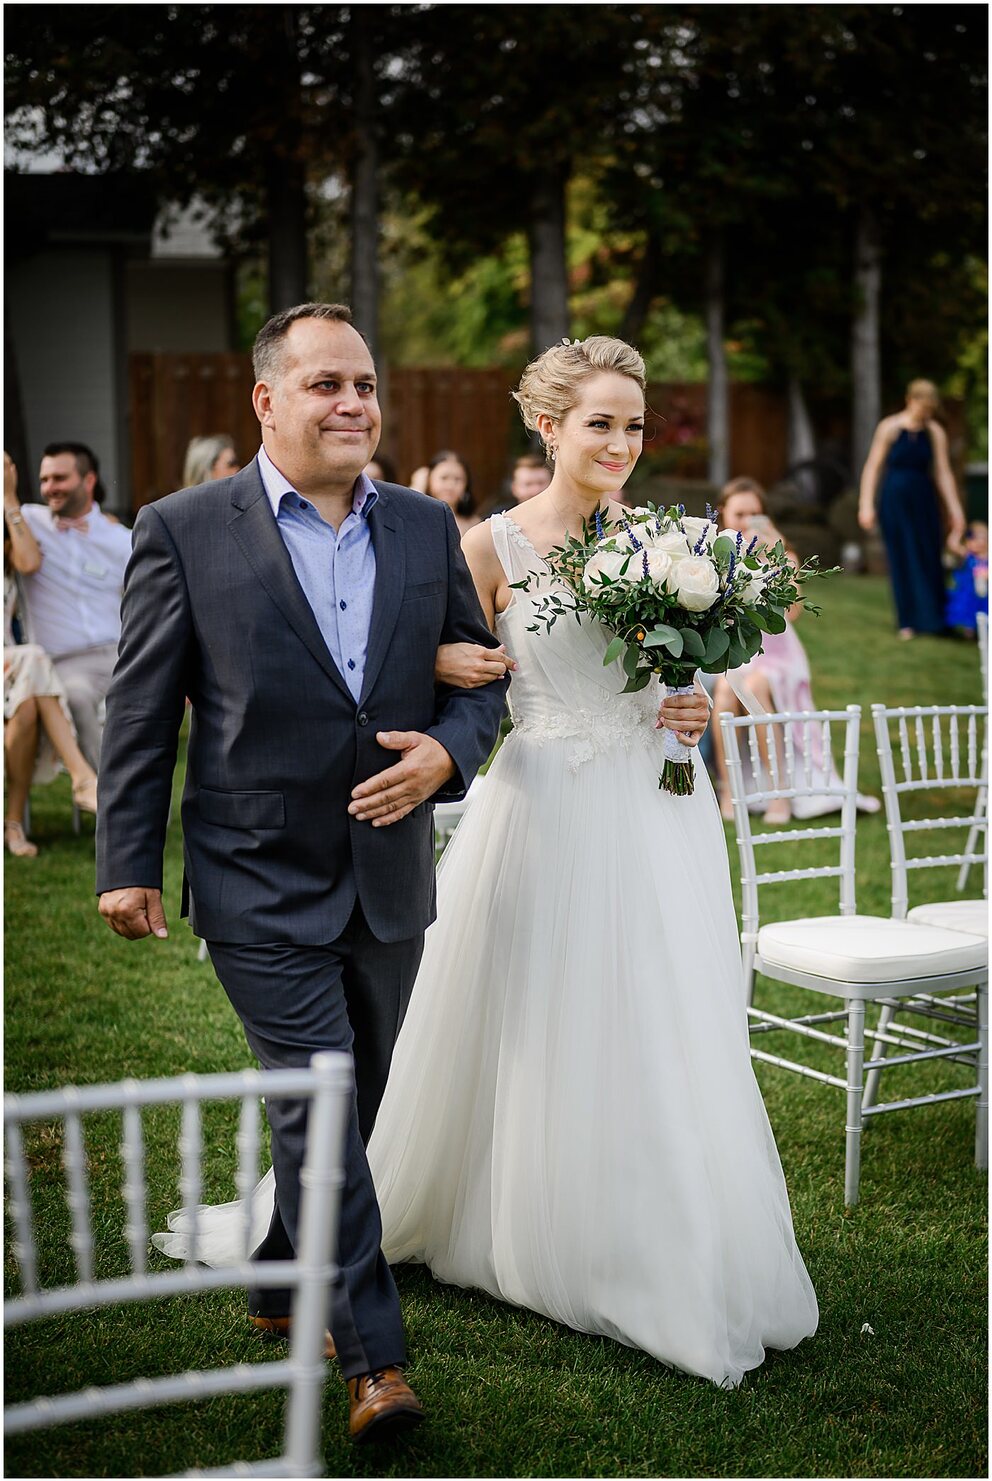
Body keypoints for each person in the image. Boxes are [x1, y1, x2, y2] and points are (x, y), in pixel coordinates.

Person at [159, 336, 819, 1389]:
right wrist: (437, 658)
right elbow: (389, 665)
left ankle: (651, 1230)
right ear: (547, 425)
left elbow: (672, 677)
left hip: (658, 810)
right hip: (547, 806)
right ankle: (518, 1221)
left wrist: (691, 700)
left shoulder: (671, 547)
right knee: (541, 1015)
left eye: (634, 425)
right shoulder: (484, 544)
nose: (618, 442)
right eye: (598, 421)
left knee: (663, 1017)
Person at [95, 302, 509, 1444]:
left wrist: (445, 750)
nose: (353, 405)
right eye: (327, 384)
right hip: (253, 873)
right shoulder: (183, 527)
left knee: (356, 1103)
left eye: (365, 385)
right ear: (266, 400)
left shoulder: (426, 526)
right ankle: (376, 1362)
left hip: (388, 876)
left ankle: (283, 1272)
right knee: (318, 1108)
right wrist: (127, 858)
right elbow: (140, 707)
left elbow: (480, 682)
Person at [709, 477, 878, 823]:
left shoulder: (781, 555)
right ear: (724, 514)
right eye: (740, 513)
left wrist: (777, 558)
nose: (746, 521)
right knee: (727, 690)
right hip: (740, 657)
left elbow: (792, 612)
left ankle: (780, 793)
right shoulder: (714, 555)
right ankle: (729, 789)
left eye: (755, 513)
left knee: (754, 687)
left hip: (778, 657)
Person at [13, 442, 133, 770]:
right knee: (77, 697)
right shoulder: (27, 523)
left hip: (119, 654)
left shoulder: (122, 539)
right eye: (45, 479)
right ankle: (103, 801)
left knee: (147, 705)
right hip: (65, 662)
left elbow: (147, 605)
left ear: (88, 480)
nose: (50, 488)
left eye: (60, 478)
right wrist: (9, 497)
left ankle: (151, 810)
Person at [4, 454, 98, 856]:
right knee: (35, 660)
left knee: (27, 702)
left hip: (13, 671)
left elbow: (29, 561)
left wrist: (9, 499)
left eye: (9, 466)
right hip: (17, 662)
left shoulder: (15, 525)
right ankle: (81, 777)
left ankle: (13, 824)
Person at [858, 379, 967, 639]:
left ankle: (935, 619)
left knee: (929, 555)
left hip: (923, 500)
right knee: (901, 557)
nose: (925, 414)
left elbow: (943, 473)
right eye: (922, 408)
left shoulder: (934, 432)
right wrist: (866, 504)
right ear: (911, 400)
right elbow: (873, 467)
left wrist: (956, 511)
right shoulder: (890, 427)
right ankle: (907, 620)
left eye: (930, 410)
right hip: (895, 500)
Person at [945, 520, 988, 638]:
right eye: (974, 538)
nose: (979, 542)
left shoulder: (987, 557)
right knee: (968, 612)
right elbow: (952, 544)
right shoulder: (968, 555)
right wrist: (958, 530)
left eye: (982, 538)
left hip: (985, 596)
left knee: (984, 612)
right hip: (968, 593)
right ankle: (969, 632)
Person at [477, 452, 552, 520]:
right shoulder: (499, 518)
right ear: (514, 488)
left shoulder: (562, 516)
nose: (536, 490)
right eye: (528, 484)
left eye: (541, 483)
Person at [422, 449, 479, 537]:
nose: (450, 485)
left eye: (457, 479)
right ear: (429, 480)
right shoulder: (418, 519)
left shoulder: (474, 525)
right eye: (444, 478)